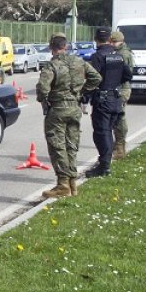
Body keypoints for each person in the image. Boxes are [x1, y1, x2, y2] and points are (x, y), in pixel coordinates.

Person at [36, 33, 102, 198]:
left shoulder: (52, 66)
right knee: (71, 145)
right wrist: (81, 92)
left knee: (57, 146)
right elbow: (96, 78)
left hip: (58, 109)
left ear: (52, 48)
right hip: (75, 108)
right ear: (65, 46)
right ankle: (73, 183)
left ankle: (63, 184)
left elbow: (43, 89)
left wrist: (45, 98)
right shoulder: (79, 62)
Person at [85, 27, 132, 177]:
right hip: (116, 99)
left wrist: (85, 96)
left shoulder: (97, 57)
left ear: (96, 40)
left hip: (103, 100)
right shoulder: (117, 55)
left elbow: (93, 79)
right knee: (108, 132)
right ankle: (105, 163)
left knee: (101, 133)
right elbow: (128, 75)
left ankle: (104, 166)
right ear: (109, 40)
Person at [109, 30, 134, 159]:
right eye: (111, 42)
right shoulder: (117, 52)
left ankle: (120, 147)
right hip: (119, 88)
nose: (112, 44)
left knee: (119, 117)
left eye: (115, 42)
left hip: (122, 89)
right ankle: (118, 145)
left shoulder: (123, 54)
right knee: (116, 117)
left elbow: (122, 74)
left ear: (121, 42)